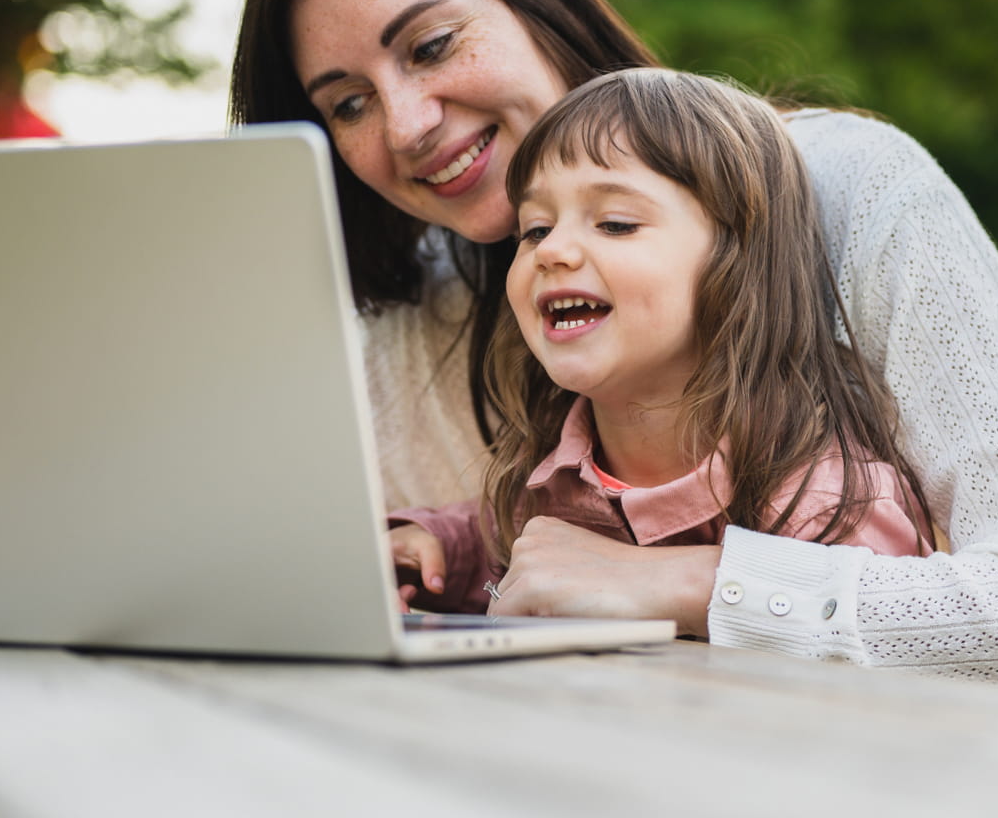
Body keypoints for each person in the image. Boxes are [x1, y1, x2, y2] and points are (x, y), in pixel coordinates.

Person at [231, 0, 998, 679]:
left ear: (538, 0)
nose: (404, 125)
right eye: (349, 104)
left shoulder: (847, 187)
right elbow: (493, 543)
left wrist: (690, 581)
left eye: (431, 47)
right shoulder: (404, 315)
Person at [386, 70, 933, 619]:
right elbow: (511, 548)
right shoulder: (545, 479)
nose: (552, 251)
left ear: (739, 267)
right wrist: (436, 552)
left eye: (616, 223)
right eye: (535, 229)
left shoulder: (823, 506)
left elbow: (884, 646)